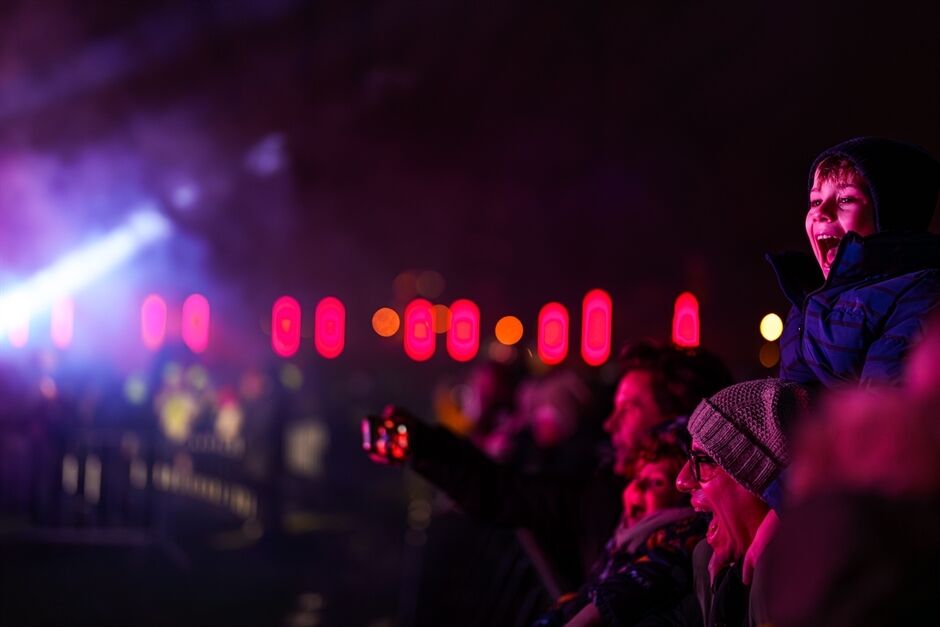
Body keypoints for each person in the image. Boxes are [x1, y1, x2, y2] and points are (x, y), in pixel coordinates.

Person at [366, 341, 732, 605]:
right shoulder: (606, 491)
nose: (610, 422)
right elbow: (504, 492)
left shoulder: (713, 522)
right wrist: (424, 444)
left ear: (681, 417)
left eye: (630, 409)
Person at [767, 136, 940, 390]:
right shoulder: (805, 305)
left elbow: (891, 416)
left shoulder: (920, 297)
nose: (819, 212)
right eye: (815, 201)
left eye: (845, 199)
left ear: (890, 215)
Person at [665, 379, 810, 627]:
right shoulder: (712, 566)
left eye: (705, 460)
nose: (682, 481)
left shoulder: (783, 581)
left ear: (759, 480)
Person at [533, 435, 706, 627]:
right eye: (637, 477)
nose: (639, 487)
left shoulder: (681, 534)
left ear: (681, 500)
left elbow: (639, 580)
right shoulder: (619, 542)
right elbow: (583, 595)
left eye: (657, 483)